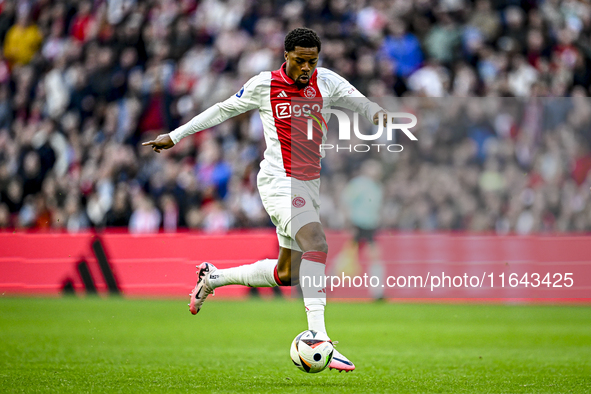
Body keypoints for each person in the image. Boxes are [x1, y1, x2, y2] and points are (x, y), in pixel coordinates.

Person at [143, 27, 387, 372]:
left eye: (312, 61)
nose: (306, 68)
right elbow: (221, 110)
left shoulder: (327, 81)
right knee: (317, 243)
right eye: (300, 61)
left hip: (308, 186)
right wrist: (175, 136)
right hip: (278, 183)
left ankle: (213, 278)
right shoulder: (264, 85)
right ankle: (319, 336)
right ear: (285, 56)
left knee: (288, 273)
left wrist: (380, 115)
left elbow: (362, 103)